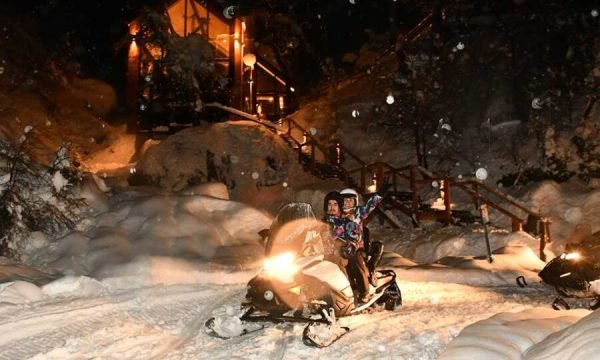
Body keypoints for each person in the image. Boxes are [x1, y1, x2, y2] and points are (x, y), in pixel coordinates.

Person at [339, 182, 391, 302]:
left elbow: (371, 204)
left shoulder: (358, 213)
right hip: (340, 249)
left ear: (355, 202)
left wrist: (380, 194)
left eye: (350, 201)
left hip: (357, 249)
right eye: (345, 201)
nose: (347, 203)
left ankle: (364, 292)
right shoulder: (337, 217)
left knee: (354, 259)